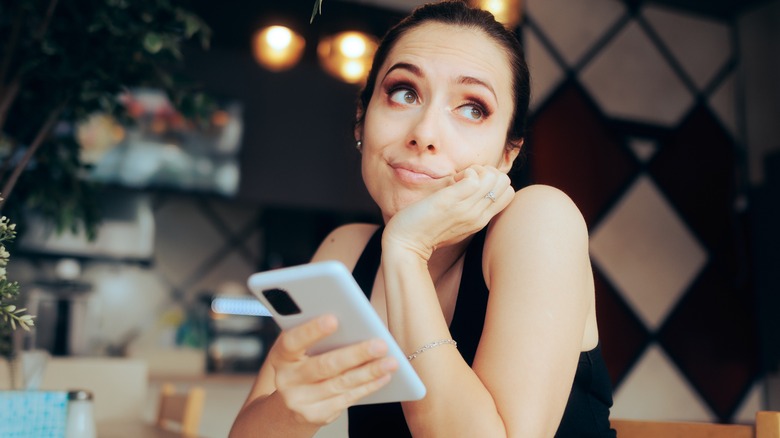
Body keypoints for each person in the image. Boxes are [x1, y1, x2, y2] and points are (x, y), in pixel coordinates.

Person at [230, 1, 615, 436]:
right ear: (361, 121)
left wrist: (406, 250)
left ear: (507, 155)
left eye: (473, 108)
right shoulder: (348, 250)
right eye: (404, 93)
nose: (425, 134)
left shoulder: (539, 222)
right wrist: (291, 412)